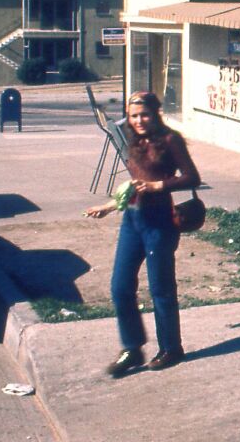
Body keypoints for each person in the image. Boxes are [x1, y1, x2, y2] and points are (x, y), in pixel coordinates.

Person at [85, 91, 201, 378]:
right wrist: (110, 206)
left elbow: (191, 177)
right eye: (134, 116)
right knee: (120, 286)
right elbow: (135, 186)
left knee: (160, 288)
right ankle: (132, 348)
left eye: (144, 115)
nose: (139, 120)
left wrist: (158, 186)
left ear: (155, 114)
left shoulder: (170, 140)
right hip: (133, 220)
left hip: (160, 221)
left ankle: (171, 348)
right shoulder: (134, 141)